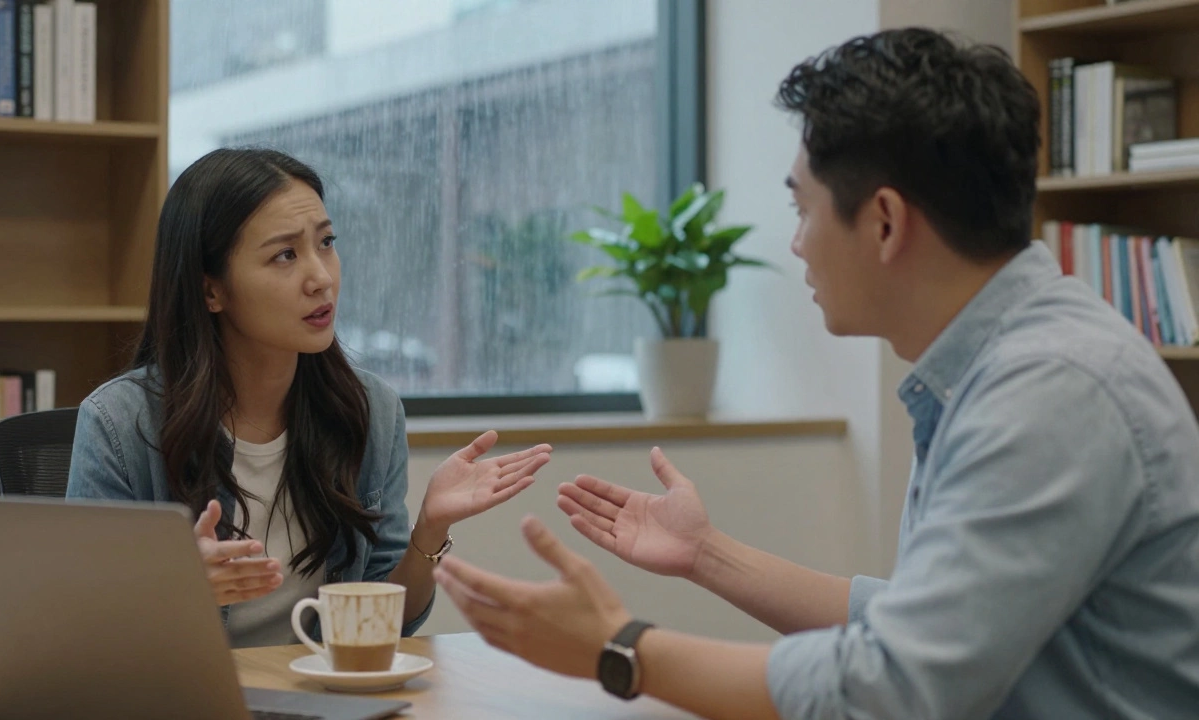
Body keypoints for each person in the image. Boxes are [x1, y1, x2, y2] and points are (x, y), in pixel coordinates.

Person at [431, 27, 1199, 719]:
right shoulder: (1010, 364)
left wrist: (618, 647)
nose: (797, 244)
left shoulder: (1052, 392)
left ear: (886, 223)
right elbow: (922, 624)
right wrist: (707, 554)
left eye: (803, 210)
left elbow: (891, 689)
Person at [67, 148, 551, 648]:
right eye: (285, 255)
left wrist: (429, 530)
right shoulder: (120, 423)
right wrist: (172, 590)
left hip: (320, 697)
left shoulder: (370, 411)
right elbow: (81, 630)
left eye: (326, 242)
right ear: (211, 290)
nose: (321, 277)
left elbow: (387, 624)